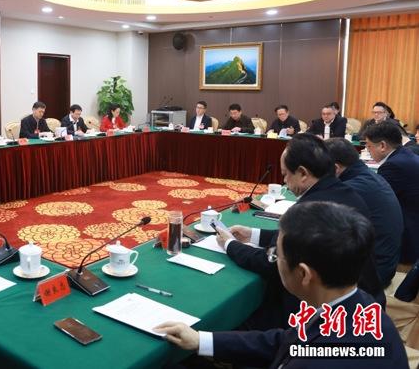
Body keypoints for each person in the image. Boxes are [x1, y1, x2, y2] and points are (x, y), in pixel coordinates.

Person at [155, 202, 407, 369]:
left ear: (304, 274)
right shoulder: (361, 304)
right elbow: (285, 341)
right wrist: (200, 340)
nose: (273, 259)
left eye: (276, 254)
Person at [216, 133, 383, 329]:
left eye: (285, 174)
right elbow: (303, 238)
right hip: (363, 298)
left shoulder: (310, 208)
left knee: (248, 317)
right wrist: (252, 233)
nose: (285, 181)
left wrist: (229, 244)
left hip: (336, 316)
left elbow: (271, 262)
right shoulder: (343, 191)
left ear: (303, 173)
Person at [324, 138, 403, 287]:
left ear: (335, 168)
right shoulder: (368, 176)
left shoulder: (351, 188)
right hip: (385, 264)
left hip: (372, 275)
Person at [365, 121, 419, 264]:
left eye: (369, 146)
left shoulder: (393, 166)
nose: (368, 151)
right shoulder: (405, 155)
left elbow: (378, 200)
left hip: (409, 233)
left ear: (382, 146)